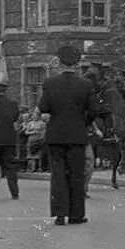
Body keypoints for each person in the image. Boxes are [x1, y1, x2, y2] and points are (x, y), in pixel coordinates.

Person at [38, 45, 98, 225]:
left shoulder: (50, 83)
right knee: (76, 175)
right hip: (77, 135)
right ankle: (76, 215)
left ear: (60, 62)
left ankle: (60, 214)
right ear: (77, 63)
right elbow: (93, 111)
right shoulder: (86, 84)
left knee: (58, 175)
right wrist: (83, 123)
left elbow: (44, 108)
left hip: (55, 135)